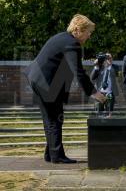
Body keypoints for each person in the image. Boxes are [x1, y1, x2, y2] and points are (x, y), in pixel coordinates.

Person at [23, 14, 106, 164]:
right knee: (54, 118)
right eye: (88, 32)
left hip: (38, 79)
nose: (89, 35)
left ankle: (51, 154)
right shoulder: (72, 44)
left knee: (51, 118)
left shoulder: (63, 38)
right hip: (45, 82)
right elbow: (78, 72)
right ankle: (57, 156)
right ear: (78, 30)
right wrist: (94, 92)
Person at [90, 53, 119, 117]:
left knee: (109, 112)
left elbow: (116, 74)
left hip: (110, 93)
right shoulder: (99, 67)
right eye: (107, 58)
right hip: (100, 93)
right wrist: (96, 65)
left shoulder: (115, 67)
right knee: (99, 112)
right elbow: (92, 77)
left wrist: (109, 66)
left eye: (110, 58)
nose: (109, 59)